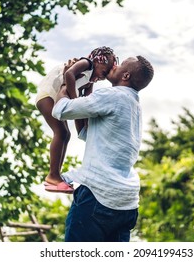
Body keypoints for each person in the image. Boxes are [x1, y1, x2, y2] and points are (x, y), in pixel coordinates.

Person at [52, 55, 154, 241]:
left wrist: (65, 84)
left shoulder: (112, 96)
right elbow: (85, 133)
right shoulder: (133, 105)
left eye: (121, 64)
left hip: (99, 196)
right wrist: (87, 87)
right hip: (126, 204)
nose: (115, 64)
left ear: (126, 76)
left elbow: (61, 110)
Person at [35, 46, 118, 194]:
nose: (101, 78)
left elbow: (86, 102)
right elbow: (69, 74)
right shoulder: (86, 63)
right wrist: (74, 101)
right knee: (60, 132)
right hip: (48, 95)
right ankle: (53, 175)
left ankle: (56, 175)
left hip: (56, 99)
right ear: (97, 61)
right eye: (103, 72)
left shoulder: (90, 81)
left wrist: (86, 124)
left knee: (66, 135)